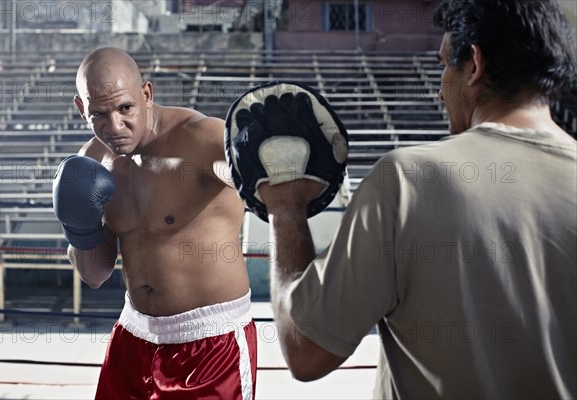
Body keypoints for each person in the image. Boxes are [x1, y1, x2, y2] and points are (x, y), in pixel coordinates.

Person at [242, 0, 576, 398]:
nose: (439, 91)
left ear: (474, 65)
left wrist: (284, 207)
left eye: (443, 66)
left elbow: (305, 350)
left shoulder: (406, 181)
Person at [52, 47, 256, 400]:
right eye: (98, 114)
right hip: (133, 334)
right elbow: (95, 275)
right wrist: (79, 229)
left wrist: (261, 167)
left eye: (125, 108)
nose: (115, 127)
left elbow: (250, 177)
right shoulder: (93, 160)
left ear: (146, 94)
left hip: (209, 345)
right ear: (81, 108)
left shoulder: (205, 138)